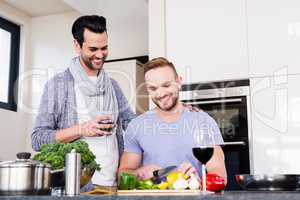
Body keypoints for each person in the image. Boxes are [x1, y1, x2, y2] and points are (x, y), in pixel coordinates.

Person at [31, 15, 136, 188]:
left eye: (104, 48)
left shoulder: (112, 85)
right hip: (77, 188)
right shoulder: (58, 85)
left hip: (112, 186)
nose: (100, 55)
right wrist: (82, 129)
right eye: (93, 49)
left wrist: (169, 111)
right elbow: (38, 139)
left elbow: (132, 125)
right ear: (77, 45)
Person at [118, 57, 227, 184]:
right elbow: (121, 177)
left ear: (179, 82)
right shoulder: (137, 125)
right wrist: (140, 174)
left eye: (166, 85)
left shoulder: (203, 121)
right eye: (153, 88)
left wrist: (199, 182)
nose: (160, 93)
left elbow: (220, 175)